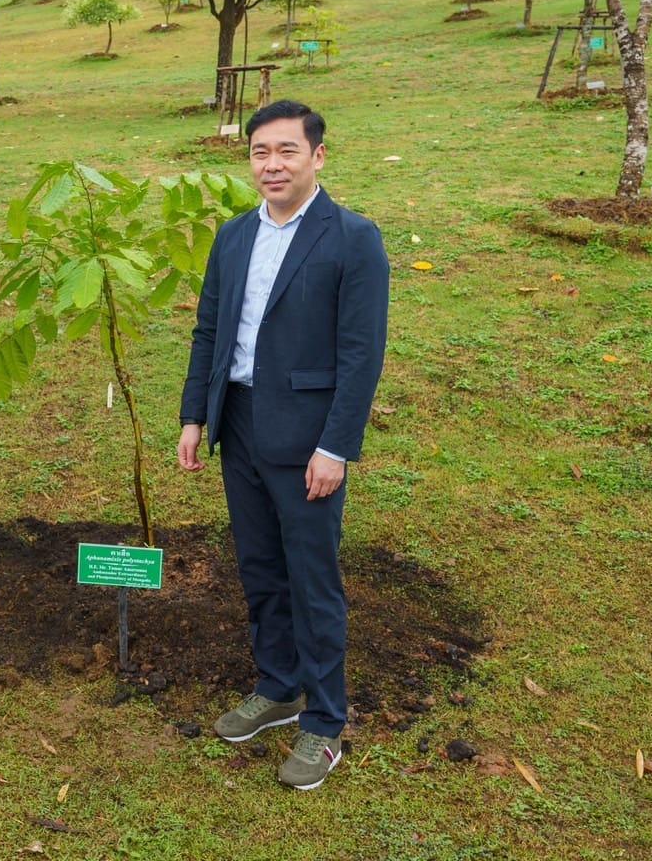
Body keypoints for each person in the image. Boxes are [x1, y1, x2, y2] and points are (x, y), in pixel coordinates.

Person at [177, 99, 388, 790]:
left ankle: (324, 723)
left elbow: (360, 355)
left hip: (305, 441)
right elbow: (209, 330)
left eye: (285, 151)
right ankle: (279, 685)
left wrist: (336, 447)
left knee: (311, 580)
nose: (271, 164)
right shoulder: (233, 235)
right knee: (259, 568)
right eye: (260, 152)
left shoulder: (352, 238)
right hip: (237, 424)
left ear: (317, 157)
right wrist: (193, 415)